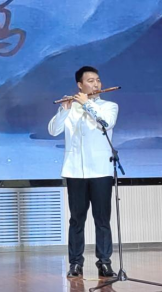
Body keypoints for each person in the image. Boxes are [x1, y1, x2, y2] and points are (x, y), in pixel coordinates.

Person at [48, 66, 119, 279]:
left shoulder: (109, 106)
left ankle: (104, 262)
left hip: (100, 170)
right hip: (75, 172)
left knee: (102, 220)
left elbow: (106, 123)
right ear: (80, 85)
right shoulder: (71, 108)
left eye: (98, 80)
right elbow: (53, 130)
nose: (96, 84)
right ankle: (75, 263)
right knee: (76, 220)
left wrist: (87, 104)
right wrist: (64, 110)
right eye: (90, 81)